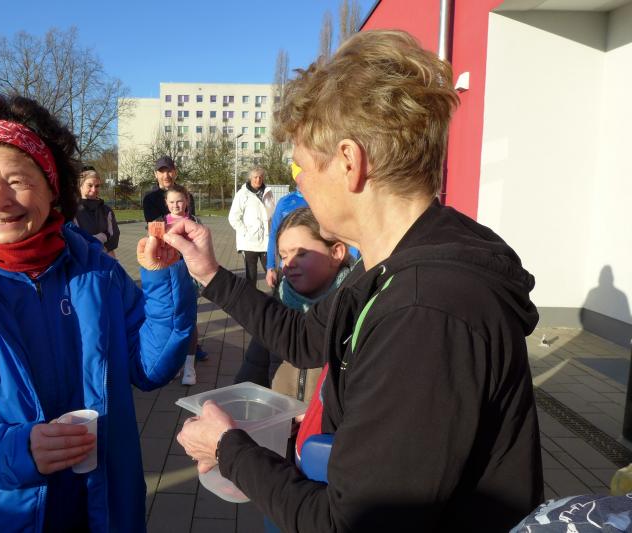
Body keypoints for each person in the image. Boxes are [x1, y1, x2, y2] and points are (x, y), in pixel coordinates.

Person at [169, 30, 542, 532]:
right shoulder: (389, 266)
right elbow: (303, 339)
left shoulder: (425, 312)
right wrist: (209, 273)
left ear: (350, 161)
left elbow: (347, 523)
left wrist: (227, 449)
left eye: (300, 164)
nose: (297, 181)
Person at [0, 94, 196, 532]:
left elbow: (151, 367)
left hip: (102, 512)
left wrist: (164, 278)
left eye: (17, 180)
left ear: (51, 187)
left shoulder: (97, 273)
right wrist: (15, 452)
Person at [236, 207, 351, 399]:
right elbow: (252, 370)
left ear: (336, 252)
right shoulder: (276, 307)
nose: (289, 263)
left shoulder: (354, 309)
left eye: (301, 253)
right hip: (279, 415)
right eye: (283, 256)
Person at [160, 184, 202, 385]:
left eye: (179, 201)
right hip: (168, 278)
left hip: (189, 277)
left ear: (186, 201)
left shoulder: (195, 222)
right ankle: (176, 363)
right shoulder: (160, 223)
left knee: (189, 320)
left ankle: (189, 367)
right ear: (166, 203)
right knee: (172, 321)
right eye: (171, 202)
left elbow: (201, 250)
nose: (176, 205)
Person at [228, 167, 275, 285]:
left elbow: (271, 213)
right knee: (251, 276)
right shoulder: (242, 194)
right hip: (249, 243)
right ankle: (251, 297)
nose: (258, 180)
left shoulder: (268, 193)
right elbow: (233, 218)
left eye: (260, 177)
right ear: (250, 178)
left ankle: (278, 295)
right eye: (255, 177)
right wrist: (246, 233)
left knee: (272, 274)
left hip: (266, 241)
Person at [74, 167, 120, 257]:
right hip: (83, 260)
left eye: (97, 186)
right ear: (80, 186)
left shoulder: (106, 211)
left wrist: (104, 248)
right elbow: (75, 239)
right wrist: (103, 236)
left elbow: (114, 236)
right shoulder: (72, 210)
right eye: (90, 185)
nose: (94, 189)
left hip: (105, 258)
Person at [142, 155, 195, 222]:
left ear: (175, 172)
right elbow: (154, 225)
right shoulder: (149, 198)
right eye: (162, 172)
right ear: (155, 174)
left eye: (169, 171)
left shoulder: (186, 195)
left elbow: (191, 222)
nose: (166, 176)